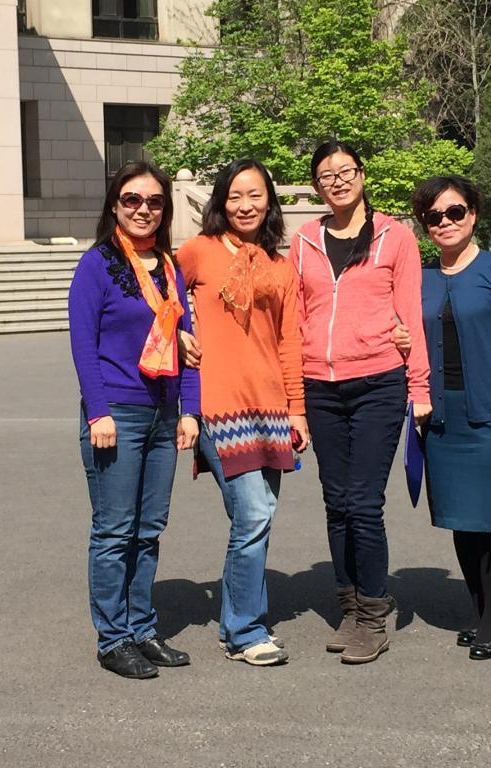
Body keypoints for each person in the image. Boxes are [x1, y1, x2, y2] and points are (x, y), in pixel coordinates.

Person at [288, 141, 432, 665]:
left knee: (365, 503)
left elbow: (410, 315)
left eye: (346, 170)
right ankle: (349, 607)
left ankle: (373, 614)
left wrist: (420, 389)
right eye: (326, 175)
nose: (338, 180)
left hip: (378, 383)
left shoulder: (396, 237)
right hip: (320, 386)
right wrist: (293, 396)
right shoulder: (304, 240)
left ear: (362, 175)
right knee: (336, 502)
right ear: (317, 186)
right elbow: (294, 318)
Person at [67, 161, 201, 680]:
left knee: (148, 529)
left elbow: (189, 344)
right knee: (114, 530)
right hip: (117, 412)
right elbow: (84, 345)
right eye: (132, 200)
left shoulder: (168, 266)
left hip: (163, 415)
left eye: (154, 201)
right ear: (115, 205)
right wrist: (98, 411)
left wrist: (189, 409)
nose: (144, 209)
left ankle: (142, 628)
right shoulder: (97, 264)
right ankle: (113, 639)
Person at [177, 158, 308, 666]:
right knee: (254, 513)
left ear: (268, 201)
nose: (245, 205)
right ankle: (244, 631)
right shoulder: (199, 251)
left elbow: (289, 341)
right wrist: (178, 333)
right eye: (234, 195)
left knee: (255, 518)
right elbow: (160, 297)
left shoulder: (280, 265)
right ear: (220, 201)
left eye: (254, 195)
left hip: (270, 408)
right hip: (217, 404)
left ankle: (239, 621)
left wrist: (297, 410)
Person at [407, 174, 491, 661]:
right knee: (462, 521)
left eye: (455, 212)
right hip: (442, 418)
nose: (445, 222)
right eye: (433, 216)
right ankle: (478, 607)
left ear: (473, 214)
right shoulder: (420, 278)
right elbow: (407, 334)